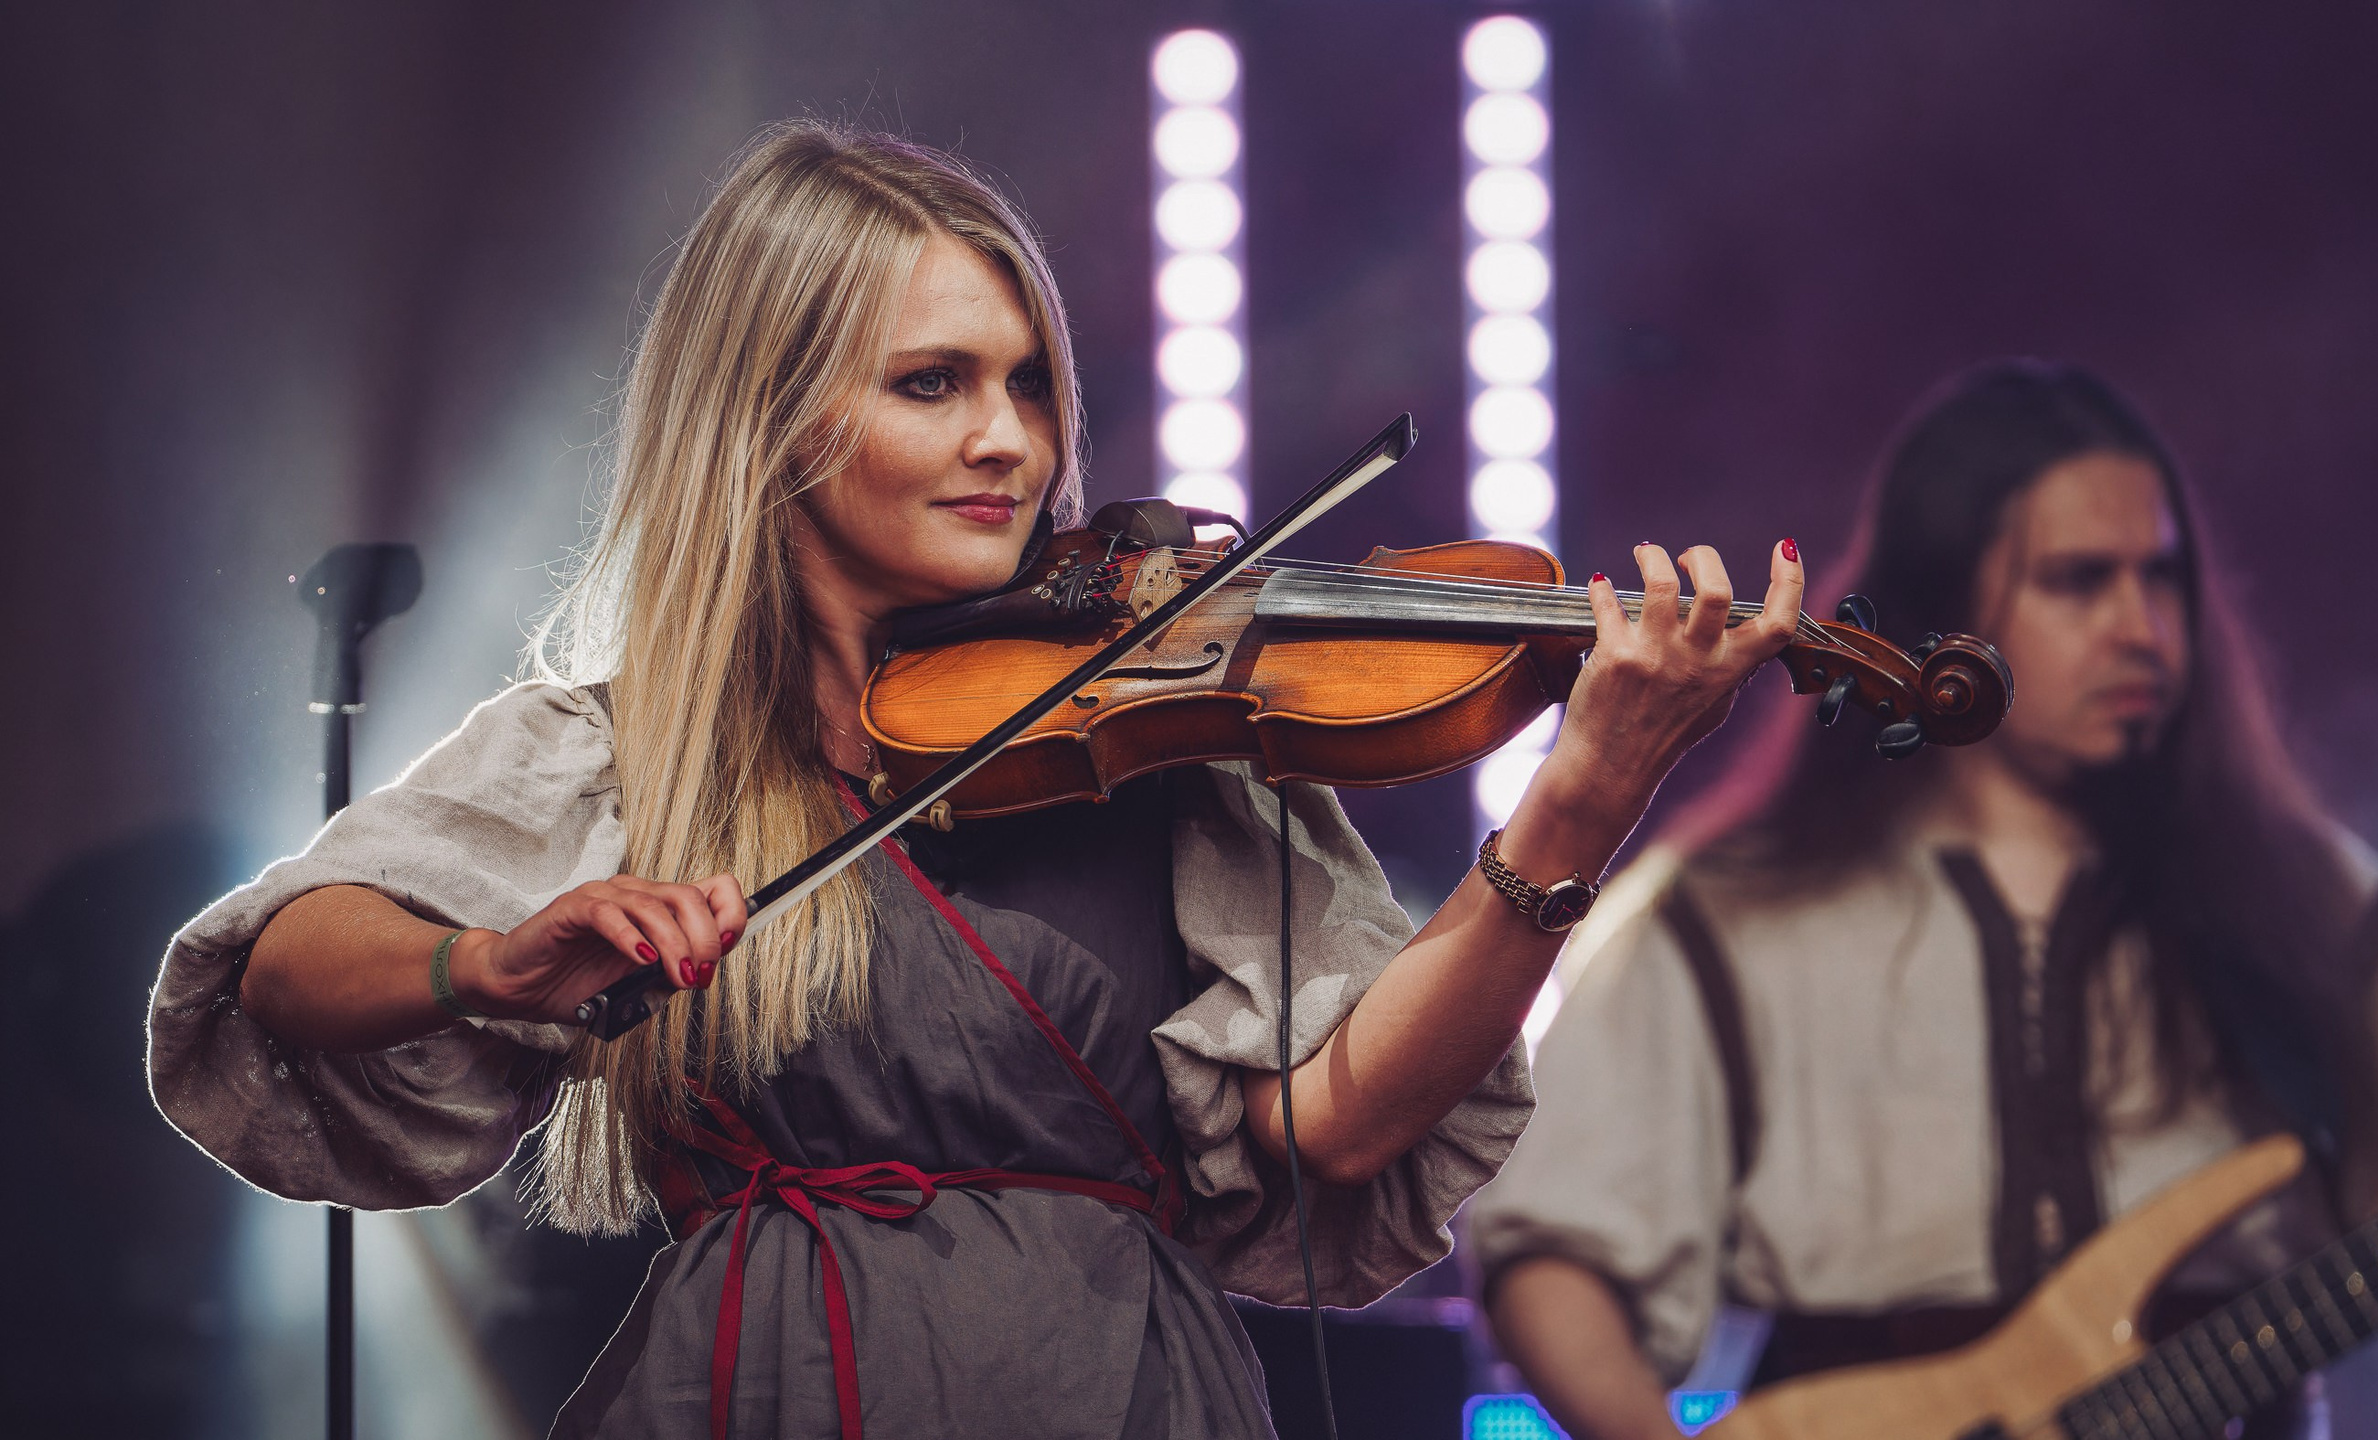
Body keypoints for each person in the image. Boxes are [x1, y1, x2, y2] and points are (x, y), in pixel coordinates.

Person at [145, 122, 1805, 1439]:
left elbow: (1340, 1116)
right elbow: (289, 963)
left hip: (1116, 1395)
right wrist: (488, 961)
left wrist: (1583, 798)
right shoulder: (621, 739)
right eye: (932, 385)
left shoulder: (1159, 727)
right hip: (759, 1391)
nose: (1009, 439)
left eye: (1025, 383)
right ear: (774, 418)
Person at [1469, 359, 2378, 1440]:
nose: (2140, 626)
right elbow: (1552, 1253)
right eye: (2080, 581)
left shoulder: (2323, 906)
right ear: (1945, 610)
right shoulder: (1719, 917)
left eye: (2162, 577)